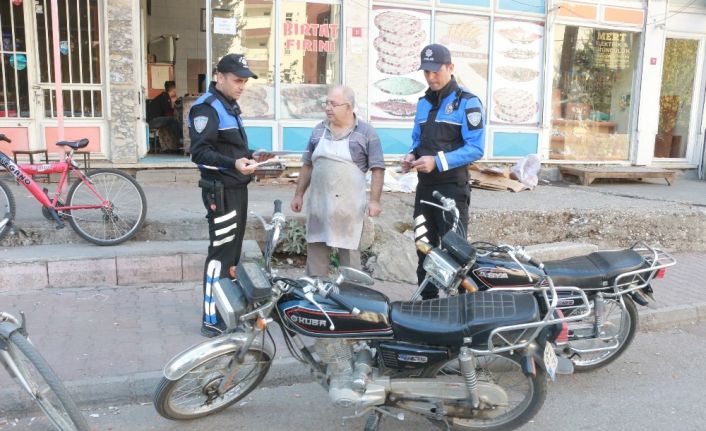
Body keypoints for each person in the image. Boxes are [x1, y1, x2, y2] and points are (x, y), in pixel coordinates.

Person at [189, 53, 272, 337]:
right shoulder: (206, 108)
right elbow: (200, 155)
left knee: (232, 255)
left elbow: (229, 149)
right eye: (237, 80)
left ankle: (228, 310)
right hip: (220, 191)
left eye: (245, 81)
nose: (242, 86)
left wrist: (251, 156)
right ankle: (211, 318)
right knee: (220, 255)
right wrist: (234, 163)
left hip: (236, 188)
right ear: (219, 76)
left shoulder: (229, 105)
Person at [400, 44, 485, 299]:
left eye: (436, 71)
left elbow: (476, 149)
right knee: (423, 250)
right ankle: (427, 310)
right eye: (426, 72)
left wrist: (437, 161)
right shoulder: (423, 103)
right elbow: (418, 139)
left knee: (455, 255)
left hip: (451, 191)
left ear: (450, 67)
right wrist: (411, 155)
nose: (431, 77)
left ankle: (462, 312)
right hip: (425, 190)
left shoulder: (468, 103)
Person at [291, 85, 385, 277]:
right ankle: (316, 300)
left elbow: (378, 169)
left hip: (348, 211)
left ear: (348, 107)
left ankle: (352, 301)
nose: (328, 108)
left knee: (349, 261)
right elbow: (307, 165)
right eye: (326, 103)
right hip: (319, 205)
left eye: (333, 104)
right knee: (316, 256)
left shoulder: (366, 133)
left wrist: (375, 201)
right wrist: (298, 195)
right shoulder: (318, 130)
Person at [147, 80, 182, 151]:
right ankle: (181, 139)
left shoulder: (164, 96)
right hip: (152, 121)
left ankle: (173, 145)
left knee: (171, 121)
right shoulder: (164, 96)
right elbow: (168, 113)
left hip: (152, 120)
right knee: (173, 120)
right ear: (174, 88)